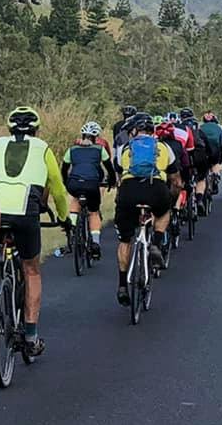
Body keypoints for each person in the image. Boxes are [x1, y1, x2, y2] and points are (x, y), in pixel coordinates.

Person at [0, 106, 72, 358]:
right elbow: (57, 189)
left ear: (9, 128)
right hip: (25, 211)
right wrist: (65, 220)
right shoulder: (42, 148)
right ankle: (31, 336)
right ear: (36, 129)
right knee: (31, 269)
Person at [112, 113, 173, 307]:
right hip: (156, 189)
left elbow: (119, 172)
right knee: (164, 212)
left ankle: (122, 285)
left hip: (129, 191)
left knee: (124, 240)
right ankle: (155, 242)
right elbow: (177, 179)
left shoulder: (126, 147)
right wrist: (170, 197)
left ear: (134, 131)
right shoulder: (163, 147)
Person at [63, 120, 117, 257]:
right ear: (95, 137)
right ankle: (95, 243)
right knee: (93, 212)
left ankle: (73, 227)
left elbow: (64, 169)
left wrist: (66, 182)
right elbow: (109, 169)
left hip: (74, 183)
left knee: (75, 199)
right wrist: (111, 181)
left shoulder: (72, 149)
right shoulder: (100, 149)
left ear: (82, 135)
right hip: (92, 184)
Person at [197, 111, 222, 193]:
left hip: (203, 150)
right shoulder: (219, 127)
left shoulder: (200, 126)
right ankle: (215, 175)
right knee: (215, 163)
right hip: (215, 148)